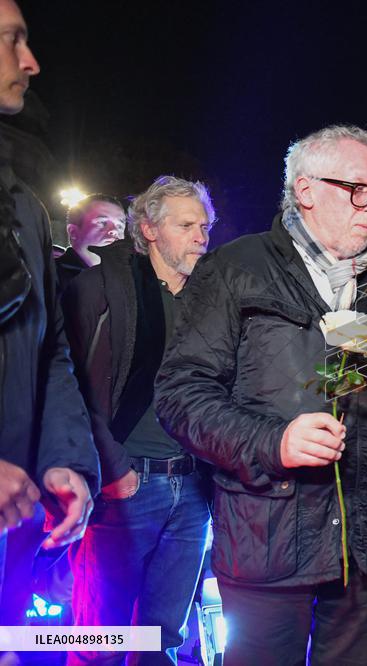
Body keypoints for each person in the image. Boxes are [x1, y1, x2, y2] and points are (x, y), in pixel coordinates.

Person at [155, 124, 367, 665]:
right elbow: (180, 394)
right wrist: (272, 442)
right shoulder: (237, 268)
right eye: (359, 190)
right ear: (306, 191)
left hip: (366, 544)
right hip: (269, 537)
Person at [62, 176, 216, 665]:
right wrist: (111, 466)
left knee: (162, 638)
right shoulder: (100, 288)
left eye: (205, 226)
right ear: (148, 229)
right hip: (127, 486)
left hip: (192, 490)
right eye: (187, 225)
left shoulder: (211, 300)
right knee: (99, 641)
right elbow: (70, 385)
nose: (201, 236)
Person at [0, 0, 98, 629]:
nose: (31, 63)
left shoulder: (25, 209)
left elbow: (51, 348)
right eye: (12, 40)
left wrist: (62, 459)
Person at [55, 194, 127, 288]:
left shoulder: (129, 284)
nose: (114, 231)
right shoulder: (49, 277)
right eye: (102, 222)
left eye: (120, 226)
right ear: (73, 232)